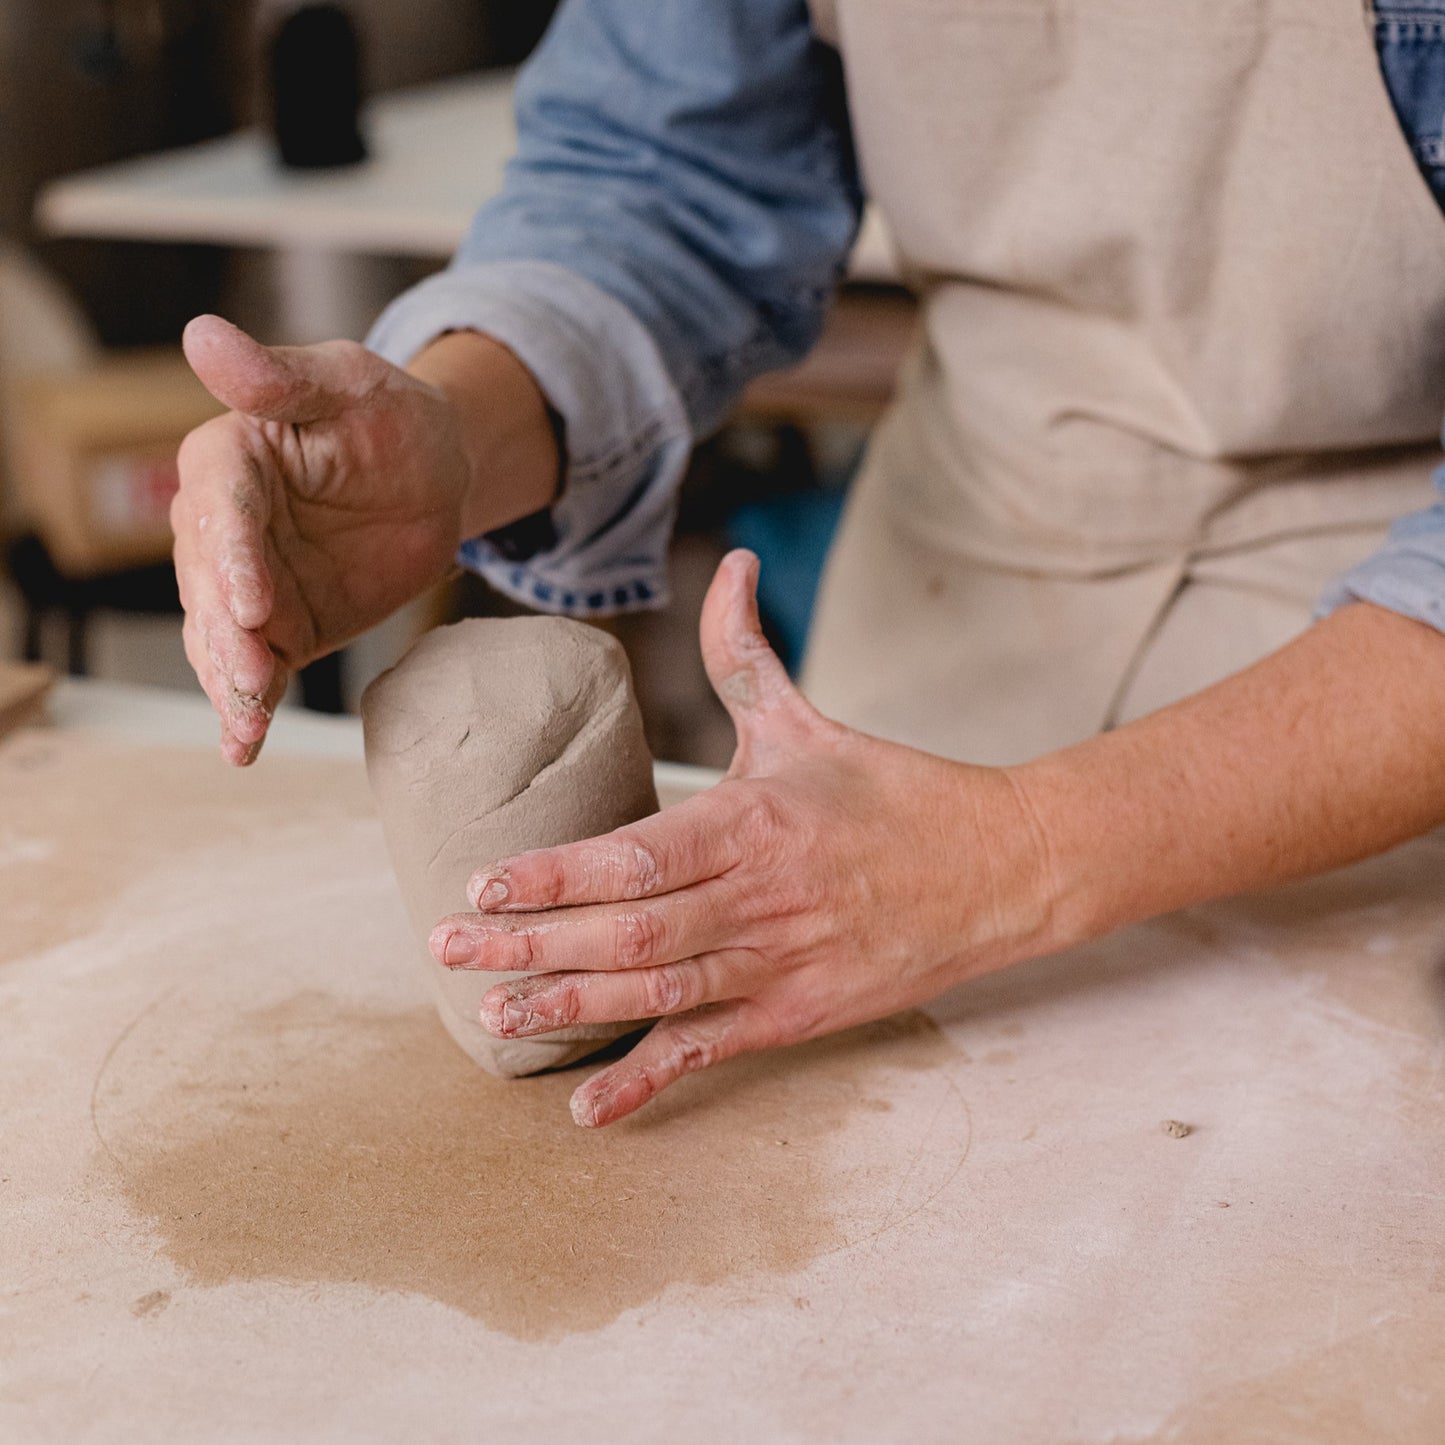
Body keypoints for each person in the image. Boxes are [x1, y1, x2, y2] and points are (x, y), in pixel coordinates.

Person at [173, 0, 1445, 1128]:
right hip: (951, 623)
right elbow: (661, 174)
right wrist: (451, 435)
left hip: (1365, 710)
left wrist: (1020, 848)